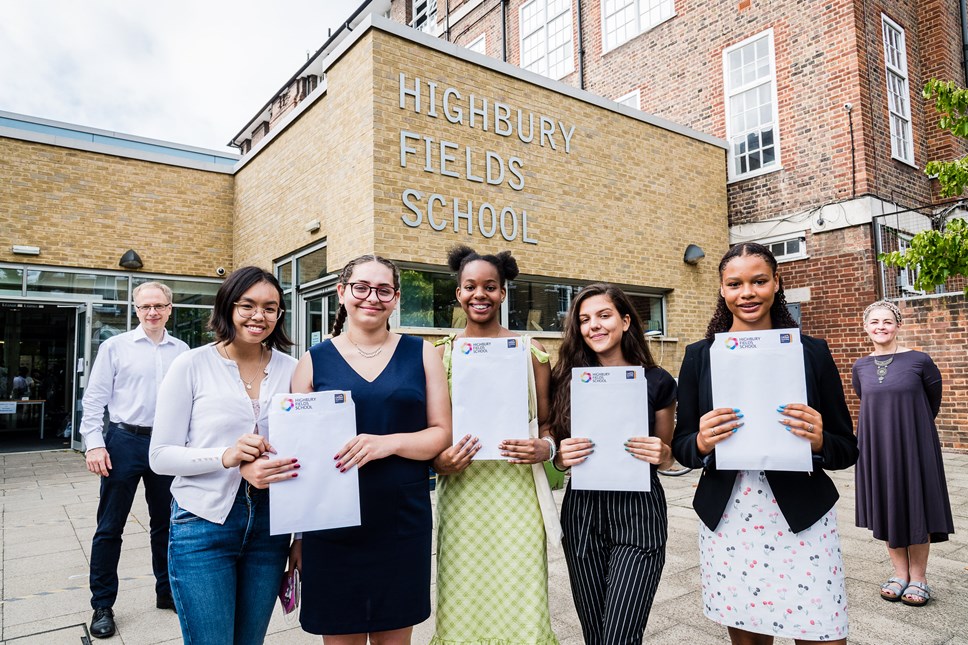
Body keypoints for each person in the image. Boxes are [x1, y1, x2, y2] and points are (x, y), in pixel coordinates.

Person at [671, 242, 857, 645]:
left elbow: (847, 448)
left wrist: (821, 438)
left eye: (758, 281)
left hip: (802, 515)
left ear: (777, 283)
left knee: (822, 631)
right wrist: (701, 441)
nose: (747, 292)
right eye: (734, 284)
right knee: (750, 638)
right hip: (730, 516)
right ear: (722, 290)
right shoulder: (701, 356)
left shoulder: (811, 353)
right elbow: (680, 445)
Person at [289, 254, 450, 644]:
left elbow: (441, 434)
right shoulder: (311, 362)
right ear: (342, 292)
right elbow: (300, 458)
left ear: (396, 298)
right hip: (332, 523)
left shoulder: (422, 352)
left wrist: (388, 443)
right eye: (361, 287)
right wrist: (297, 536)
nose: (371, 298)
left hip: (400, 521)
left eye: (383, 290)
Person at [150, 267, 299, 644]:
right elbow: (160, 456)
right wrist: (227, 456)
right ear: (228, 307)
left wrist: (302, 536)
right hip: (202, 523)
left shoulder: (293, 369)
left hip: (270, 526)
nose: (258, 316)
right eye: (247, 305)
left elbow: (306, 452)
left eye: (270, 307)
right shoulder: (191, 364)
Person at [430, 245, 559, 645]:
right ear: (458, 294)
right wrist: (439, 460)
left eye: (490, 286)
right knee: (461, 591)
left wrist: (546, 448)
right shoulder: (440, 356)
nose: (479, 294)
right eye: (470, 287)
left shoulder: (531, 354)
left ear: (504, 293)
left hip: (517, 492)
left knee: (521, 591)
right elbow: (433, 427)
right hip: (464, 491)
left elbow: (551, 421)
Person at [548, 283, 675, 644]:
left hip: (640, 511)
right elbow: (554, 448)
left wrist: (663, 454)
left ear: (625, 321)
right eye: (585, 320)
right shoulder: (565, 379)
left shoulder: (657, 380)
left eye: (604, 316)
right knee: (595, 634)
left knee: (619, 636)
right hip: (582, 512)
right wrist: (560, 456)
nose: (594, 326)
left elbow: (668, 454)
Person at [80, 281, 189, 639]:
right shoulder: (115, 347)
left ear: (170, 309)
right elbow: (94, 400)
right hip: (124, 440)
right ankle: (102, 605)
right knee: (110, 526)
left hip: (167, 444)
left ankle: (166, 591)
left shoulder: (183, 351)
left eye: (159, 306)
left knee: (168, 524)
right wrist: (94, 444)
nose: (152, 312)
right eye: (145, 307)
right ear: (136, 309)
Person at [852, 300, 953, 607]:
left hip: (914, 444)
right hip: (876, 447)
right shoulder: (860, 366)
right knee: (888, 504)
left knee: (916, 504)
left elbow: (932, 400)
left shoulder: (920, 361)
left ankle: (919, 577)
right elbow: (865, 399)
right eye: (874, 322)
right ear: (866, 327)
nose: (880, 327)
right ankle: (899, 574)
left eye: (887, 321)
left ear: (897, 325)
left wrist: (912, 428)